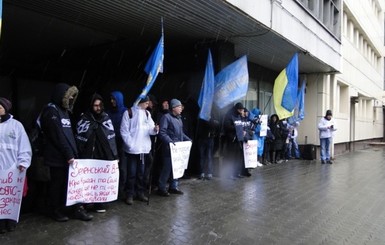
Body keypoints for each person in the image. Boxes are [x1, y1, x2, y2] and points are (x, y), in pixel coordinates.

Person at [40, 83, 93, 222]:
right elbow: (58, 136)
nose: (70, 99)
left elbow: (68, 135)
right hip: (57, 157)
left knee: (70, 185)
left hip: (68, 156)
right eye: (68, 96)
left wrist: (74, 153)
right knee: (57, 185)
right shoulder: (51, 111)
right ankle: (55, 211)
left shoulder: (64, 111)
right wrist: (69, 154)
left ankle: (73, 209)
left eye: (72, 97)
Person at [76, 93, 118, 212]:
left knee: (100, 179)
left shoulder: (106, 118)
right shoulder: (84, 118)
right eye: (95, 105)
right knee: (87, 179)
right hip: (87, 155)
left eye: (100, 105)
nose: (98, 108)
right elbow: (80, 136)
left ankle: (99, 203)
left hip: (102, 155)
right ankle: (84, 202)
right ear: (91, 105)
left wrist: (115, 155)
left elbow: (111, 137)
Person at [0, 98, 32, 234]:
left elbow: (23, 145)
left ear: (6, 108)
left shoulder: (16, 125)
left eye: (0, 106)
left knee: (11, 197)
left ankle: (11, 221)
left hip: (12, 169)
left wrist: (23, 162)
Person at [120, 96, 159, 205]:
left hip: (143, 149)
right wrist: (131, 145)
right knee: (131, 173)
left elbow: (150, 129)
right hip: (133, 150)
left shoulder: (147, 114)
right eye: (146, 103)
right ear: (141, 102)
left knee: (141, 173)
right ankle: (129, 194)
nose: (148, 105)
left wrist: (155, 129)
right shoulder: (128, 113)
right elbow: (124, 131)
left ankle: (140, 193)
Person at [157, 98, 191, 196]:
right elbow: (162, 133)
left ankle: (173, 186)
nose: (181, 108)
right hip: (169, 149)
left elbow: (181, 133)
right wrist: (170, 142)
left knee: (176, 169)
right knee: (167, 169)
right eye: (179, 106)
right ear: (173, 108)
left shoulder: (179, 119)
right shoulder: (166, 117)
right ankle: (161, 188)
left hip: (178, 149)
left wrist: (188, 139)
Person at [223, 102, 253, 179]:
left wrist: (243, 131)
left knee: (237, 157)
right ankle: (230, 174)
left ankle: (236, 173)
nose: (241, 111)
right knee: (231, 157)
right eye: (240, 110)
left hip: (239, 139)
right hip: (232, 139)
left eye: (242, 110)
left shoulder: (239, 116)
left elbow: (242, 125)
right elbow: (227, 126)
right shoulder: (229, 115)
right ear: (236, 109)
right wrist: (237, 128)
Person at [106, 91, 127, 199]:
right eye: (111, 99)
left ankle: (121, 190)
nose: (112, 101)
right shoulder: (108, 113)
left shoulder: (125, 112)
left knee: (122, 168)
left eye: (114, 99)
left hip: (121, 143)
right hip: (111, 143)